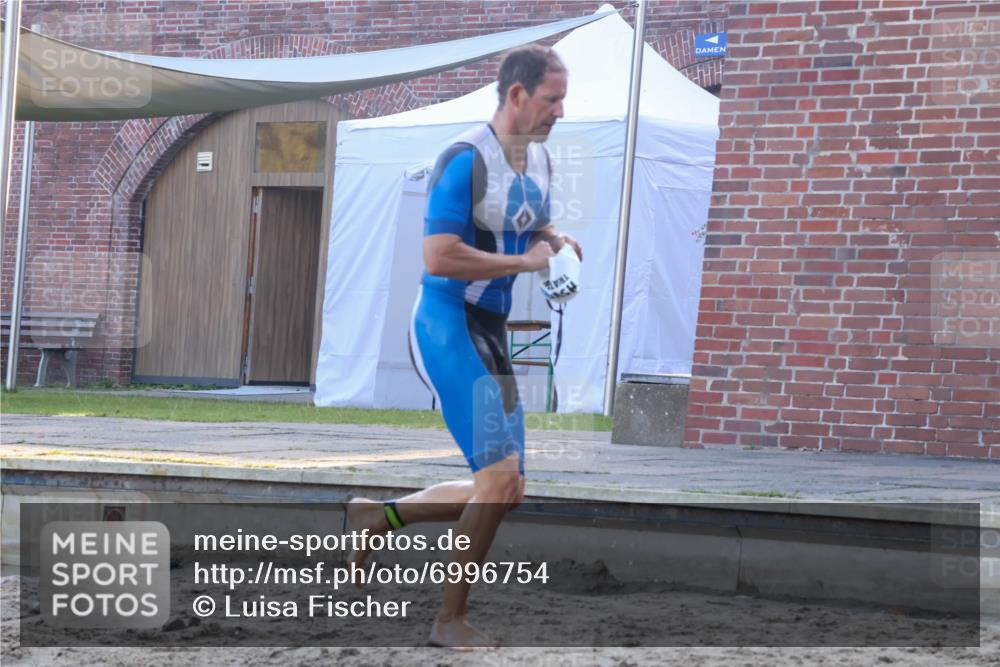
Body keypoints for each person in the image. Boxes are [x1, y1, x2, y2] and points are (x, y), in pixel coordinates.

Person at [347, 43, 583, 649]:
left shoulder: (538, 159)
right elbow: (439, 255)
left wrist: (557, 240)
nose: (560, 111)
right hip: (446, 324)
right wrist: (525, 262)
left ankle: (376, 517)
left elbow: (529, 222)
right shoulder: (463, 158)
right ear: (517, 95)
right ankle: (448, 621)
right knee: (497, 482)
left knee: (507, 490)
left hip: (491, 332)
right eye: (553, 99)